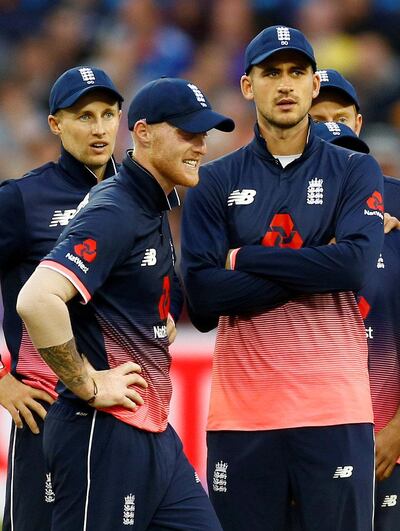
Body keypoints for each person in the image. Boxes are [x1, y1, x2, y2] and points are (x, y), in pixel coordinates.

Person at [181, 25, 384, 531]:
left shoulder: (356, 171)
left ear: (316, 85)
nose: (286, 84)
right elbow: (203, 301)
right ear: (248, 86)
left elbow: (355, 268)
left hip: (333, 412)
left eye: (297, 72)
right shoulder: (213, 180)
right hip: (243, 418)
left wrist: (244, 257)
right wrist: (322, 265)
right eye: (272, 72)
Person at [16, 77, 234, 531]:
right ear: (143, 132)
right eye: (187, 133)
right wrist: (88, 384)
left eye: (203, 135)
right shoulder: (116, 207)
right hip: (101, 430)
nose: (199, 146)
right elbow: (37, 299)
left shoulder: (150, 205)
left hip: (152, 432)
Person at [0, 65, 124, 531]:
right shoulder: (23, 200)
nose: (98, 128)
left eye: (108, 114)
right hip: (48, 414)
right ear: (56, 124)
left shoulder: (142, 196)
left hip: (125, 416)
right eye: (83, 116)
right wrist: (1, 380)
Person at [309, 72, 400, 531]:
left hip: (388, 437)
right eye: (317, 119)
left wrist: (397, 430)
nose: (331, 132)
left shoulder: (397, 204)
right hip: (306, 429)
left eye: (339, 119)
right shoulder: (271, 210)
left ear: (358, 123)